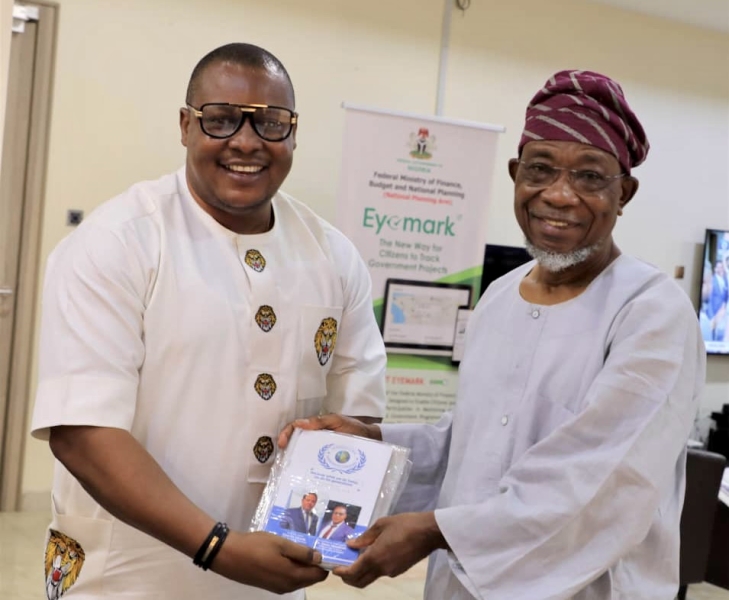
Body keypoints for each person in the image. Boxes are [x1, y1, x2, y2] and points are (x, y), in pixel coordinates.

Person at [280, 70, 706, 599]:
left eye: (590, 176)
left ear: (625, 193)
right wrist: (374, 443)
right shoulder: (502, 296)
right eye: (540, 169)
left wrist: (437, 531)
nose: (560, 195)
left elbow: (604, 481)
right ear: (514, 175)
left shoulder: (651, 312)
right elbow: (471, 444)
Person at [30, 42, 387, 600]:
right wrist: (217, 547)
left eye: (271, 122)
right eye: (220, 119)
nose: (246, 141)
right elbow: (82, 433)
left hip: (270, 579)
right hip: (125, 579)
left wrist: (348, 451)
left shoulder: (333, 256)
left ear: (294, 133)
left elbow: (357, 413)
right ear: (185, 125)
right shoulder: (117, 243)